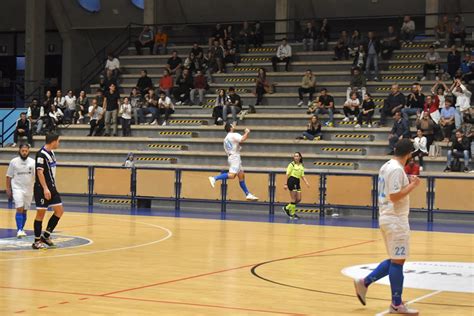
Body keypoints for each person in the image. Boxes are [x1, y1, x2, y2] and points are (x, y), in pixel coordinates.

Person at [353, 138, 421, 315]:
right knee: (398, 262)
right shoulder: (397, 169)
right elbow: (395, 196)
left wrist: (407, 180)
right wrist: (413, 185)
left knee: (395, 259)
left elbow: (391, 189)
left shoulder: (386, 166)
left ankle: (365, 282)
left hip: (386, 217)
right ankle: (396, 303)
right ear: (409, 154)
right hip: (395, 219)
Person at [208, 123, 258, 201]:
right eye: (232, 125)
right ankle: (214, 178)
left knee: (241, 175)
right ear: (231, 128)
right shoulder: (233, 135)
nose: (233, 125)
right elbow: (242, 139)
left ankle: (248, 194)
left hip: (232, 156)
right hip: (235, 157)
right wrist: (247, 132)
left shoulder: (226, 139)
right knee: (232, 175)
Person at [32, 133, 65, 249]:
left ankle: (45, 236)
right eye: (58, 141)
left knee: (59, 211)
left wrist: (51, 187)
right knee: (41, 214)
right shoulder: (41, 154)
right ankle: (36, 241)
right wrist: (45, 188)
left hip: (52, 187)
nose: (59, 143)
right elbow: (39, 172)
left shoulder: (52, 153)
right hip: (42, 189)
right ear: (53, 141)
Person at [6, 144, 35, 238]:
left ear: (28, 151)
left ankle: (22, 229)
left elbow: (37, 176)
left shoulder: (33, 162)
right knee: (19, 208)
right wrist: (8, 188)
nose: (24, 152)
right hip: (17, 188)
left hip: (29, 189)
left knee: (25, 210)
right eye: (23, 150)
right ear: (19, 150)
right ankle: (19, 230)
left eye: (26, 151)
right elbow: (8, 176)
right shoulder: (13, 162)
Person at [282, 152, 310, 219]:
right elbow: (287, 174)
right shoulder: (291, 164)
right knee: (293, 199)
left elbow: (302, 175)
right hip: (291, 180)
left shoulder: (301, 165)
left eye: (297, 156)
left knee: (299, 199)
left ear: (300, 157)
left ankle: (287, 207)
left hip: (297, 181)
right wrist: (285, 184)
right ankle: (292, 214)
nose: (296, 157)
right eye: (295, 156)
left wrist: (306, 182)